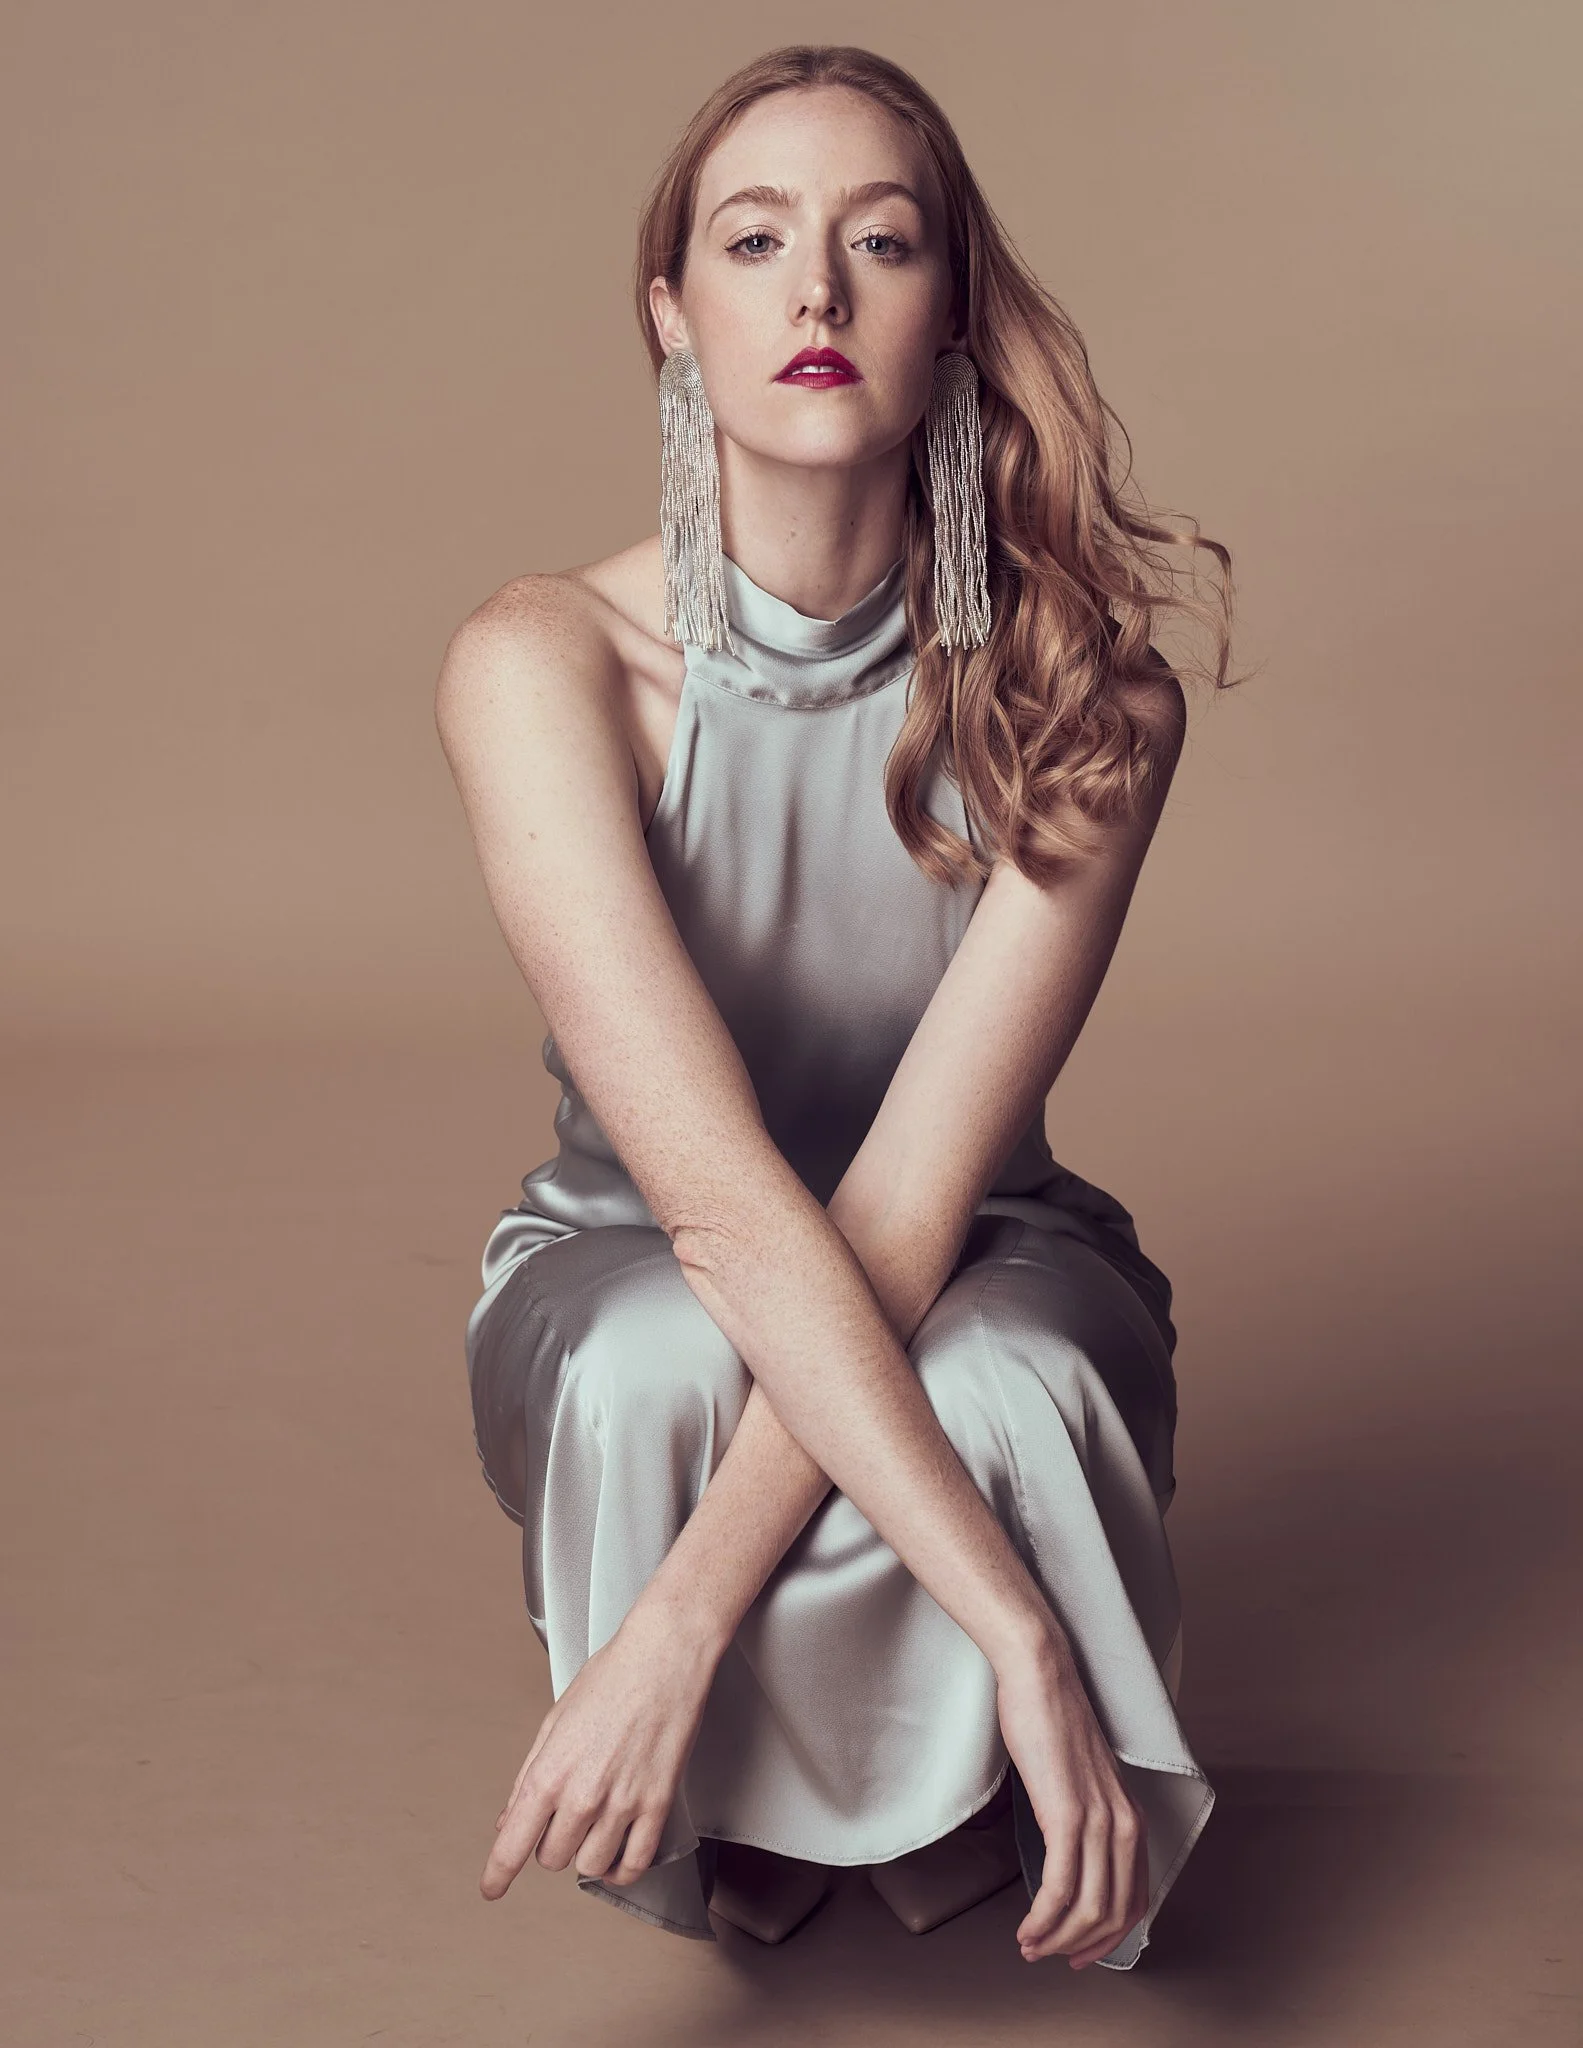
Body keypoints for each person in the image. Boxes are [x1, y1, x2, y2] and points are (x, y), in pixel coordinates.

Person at [435, 43, 1234, 1974]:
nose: (814, 293)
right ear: (671, 313)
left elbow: (894, 1212)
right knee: (654, 1357)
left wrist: (695, 1615)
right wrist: (718, 1626)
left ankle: (966, 1766)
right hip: (638, 1244)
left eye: (880, 242)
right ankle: (748, 1796)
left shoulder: (1089, 710)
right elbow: (712, 1206)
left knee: (1000, 1373)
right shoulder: (542, 664)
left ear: (950, 317)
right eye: (755, 239)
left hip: (965, 1241)